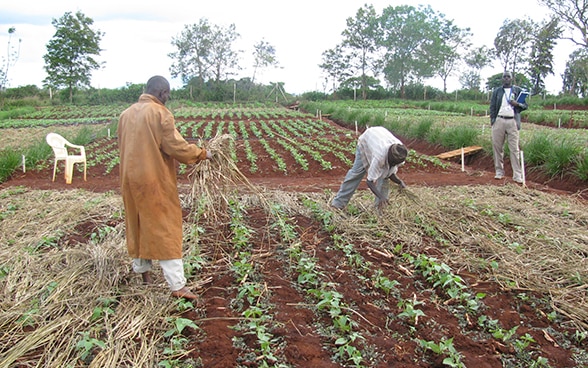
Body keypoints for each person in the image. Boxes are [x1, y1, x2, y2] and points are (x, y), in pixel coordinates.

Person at [118, 75, 211, 301]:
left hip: (130, 181)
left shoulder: (125, 115)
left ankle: (144, 277)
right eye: (167, 94)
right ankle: (177, 286)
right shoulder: (160, 114)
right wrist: (202, 153)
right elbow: (175, 147)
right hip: (153, 181)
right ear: (162, 93)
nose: (168, 98)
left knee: (138, 224)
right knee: (166, 228)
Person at [331, 126, 408, 212]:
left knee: (384, 179)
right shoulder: (380, 157)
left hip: (379, 137)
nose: (393, 165)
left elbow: (389, 173)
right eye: (392, 163)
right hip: (366, 141)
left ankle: (379, 210)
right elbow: (370, 181)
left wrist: (399, 182)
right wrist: (381, 196)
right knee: (357, 173)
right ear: (389, 158)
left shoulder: (400, 153)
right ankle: (338, 204)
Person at [489, 71, 528, 183]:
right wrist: (493, 120)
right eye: (504, 77)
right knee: (497, 147)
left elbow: (525, 106)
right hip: (499, 120)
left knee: (514, 149)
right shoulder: (497, 91)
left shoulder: (517, 90)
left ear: (512, 78)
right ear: (502, 79)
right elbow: (492, 106)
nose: (506, 79)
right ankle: (499, 172)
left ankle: (517, 175)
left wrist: (518, 104)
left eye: (508, 77)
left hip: (512, 121)